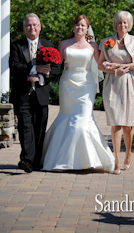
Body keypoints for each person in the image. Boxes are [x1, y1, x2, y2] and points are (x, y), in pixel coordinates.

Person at [41, 14, 115, 172]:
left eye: (83, 25)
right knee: (66, 117)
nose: (80, 28)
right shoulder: (64, 44)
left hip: (86, 85)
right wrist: (43, 63)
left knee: (83, 119)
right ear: (73, 27)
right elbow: (56, 65)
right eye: (77, 25)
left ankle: (86, 159)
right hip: (67, 83)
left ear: (87, 28)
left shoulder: (93, 46)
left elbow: (100, 65)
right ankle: (61, 159)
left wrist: (114, 68)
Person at [9, 13, 60, 173]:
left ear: (40, 27)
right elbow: (14, 66)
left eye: (35, 25)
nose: (32, 28)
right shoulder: (16, 46)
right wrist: (33, 68)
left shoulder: (49, 46)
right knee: (25, 127)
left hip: (41, 95)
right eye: (29, 25)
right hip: (22, 94)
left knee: (39, 128)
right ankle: (26, 160)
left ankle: (36, 162)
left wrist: (42, 75)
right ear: (24, 28)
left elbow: (57, 69)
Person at [98, 11, 134, 175]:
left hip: (129, 84)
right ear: (115, 24)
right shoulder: (106, 42)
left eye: (125, 23)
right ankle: (117, 161)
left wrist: (124, 66)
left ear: (129, 24)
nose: (122, 25)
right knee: (115, 122)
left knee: (127, 123)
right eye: (119, 22)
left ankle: (128, 155)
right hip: (112, 84)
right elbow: (100, 65)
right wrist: (109, 67)